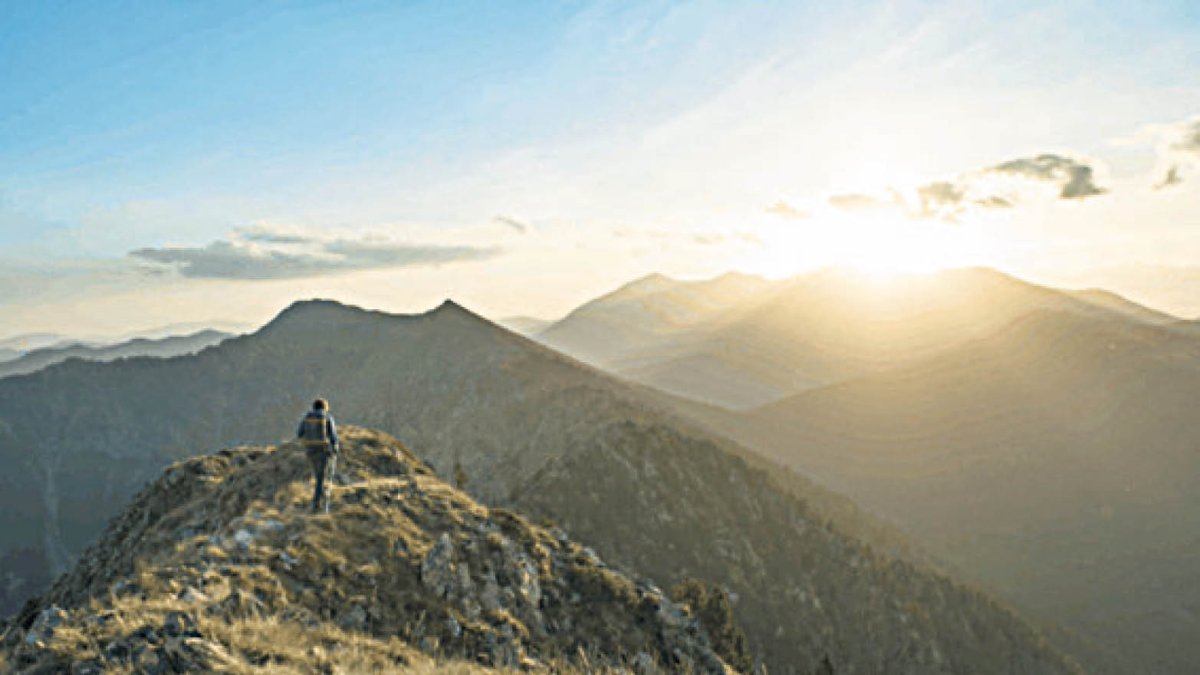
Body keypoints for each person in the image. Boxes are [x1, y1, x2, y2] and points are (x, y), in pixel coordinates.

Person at [297, 398, 340, 513]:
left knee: (317, 476)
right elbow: (333, 437)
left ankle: (317, 499)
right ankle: (317, 503)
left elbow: (299, 433)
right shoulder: (327, 418)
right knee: (320, 478)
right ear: (324, 407)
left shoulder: (306, 418)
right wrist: (335, 448)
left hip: (310, 451)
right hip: (322, 451)